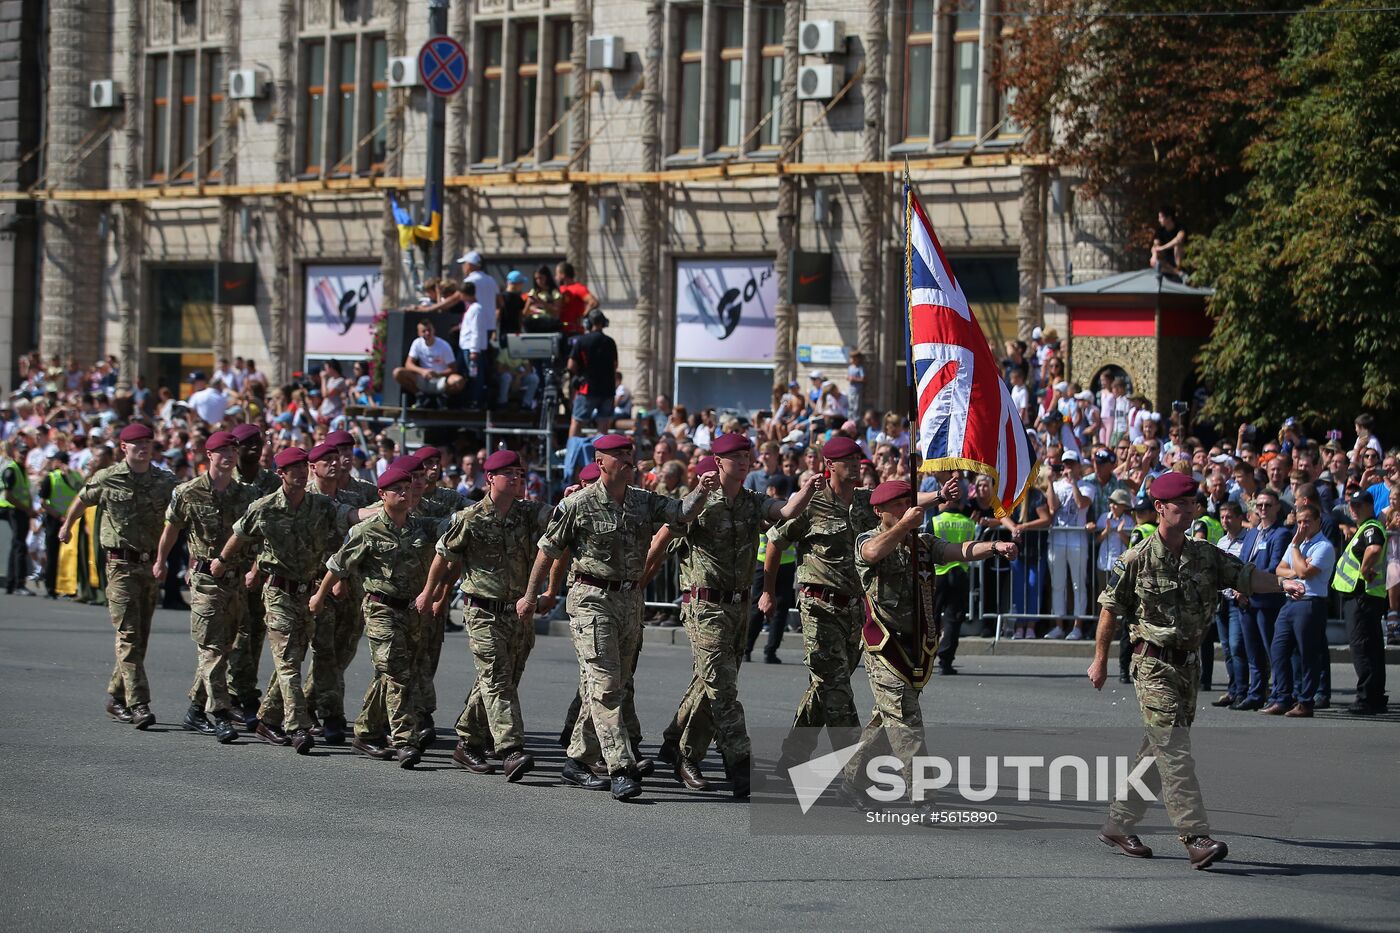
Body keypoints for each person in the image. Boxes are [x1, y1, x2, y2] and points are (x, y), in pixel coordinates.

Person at [1089, 471, 1306, 870]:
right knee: (1173, 746)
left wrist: (1281, 584)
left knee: (1158, 749)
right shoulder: (1135, 558)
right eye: (1182, 505)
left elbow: (1245, 576)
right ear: (1160, 509)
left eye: (1193, 504)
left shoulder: (1205, 555)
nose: (1190, 511)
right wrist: (1100, 660)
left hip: (1189, 665)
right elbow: (1109, 610)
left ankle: (1119, 823)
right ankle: (1195, 836)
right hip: (1152, 663)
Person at [523, 433, 713, 801]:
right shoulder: (578, 505)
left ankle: (577, 761)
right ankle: (621, 768)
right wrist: (533, 594)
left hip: (629, 600)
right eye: (619, 455)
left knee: (613, 686)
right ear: (601, 463)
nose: (628, 459)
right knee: (607, 684)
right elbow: (547, 550)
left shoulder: (643, 501)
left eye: (630, 453)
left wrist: (702, 490)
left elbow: (680, 513)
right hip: (591, 599)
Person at [645, 434, 823, 797]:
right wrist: (639, 583)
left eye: (747, 456)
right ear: (718, 461)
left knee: (708, 685)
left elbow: (786, 512)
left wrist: (805, 490)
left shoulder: (751, 502)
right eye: (736, 457)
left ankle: (678, 747)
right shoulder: (699, 504)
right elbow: (663, 537)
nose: (744, 461)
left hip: (738, 606)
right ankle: (739, 766)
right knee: (723, 688)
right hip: (705, 606)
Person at [840, 481, 1018, 809]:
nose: (907, 507)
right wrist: (906, 523)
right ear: (880, 512)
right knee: (906, 718)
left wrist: (994, 548)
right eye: (898, 504)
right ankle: (922, 794)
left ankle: (853, 779)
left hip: (917, 644)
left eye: (908, 501)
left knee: (887, 718)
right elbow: (873, 554)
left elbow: (957, 551)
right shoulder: (867, 539)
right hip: (885, 645)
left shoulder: (922, 543)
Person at [208, 446, 373, 754]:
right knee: (287, 660)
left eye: (302, 467)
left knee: (293, 658)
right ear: (282, 474)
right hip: (278, 592)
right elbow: (240, 534)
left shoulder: (320, 505)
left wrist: (386, 510)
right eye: (293, 468)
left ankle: (266, 720)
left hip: (306, 591)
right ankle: (297, 726)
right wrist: (220, 561)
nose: (298, 473)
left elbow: (352, 516)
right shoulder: (265, 507)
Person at [419, 449, 554, 780]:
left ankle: (467, 741)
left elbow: (559, 518)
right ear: (490, 478)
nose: (517, 478)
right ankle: (510, 748)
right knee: (496, 677)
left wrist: (575, 498)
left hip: (517, 612)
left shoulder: (528, 513)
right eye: (509, 473)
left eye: (520, 473)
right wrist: (428, 592)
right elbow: (443, 557)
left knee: (501, 678)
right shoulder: (470, 518)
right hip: (482, 611)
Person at [310, 465, 447, 767]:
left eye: (408, 488)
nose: (404, 493)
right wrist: (320, 596)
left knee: (391, 673)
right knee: (397, 672)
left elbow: (455, 524)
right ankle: (404, 740)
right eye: (397, 489)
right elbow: (337, 565)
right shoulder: (366, 531)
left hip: (410, 610)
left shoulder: (421, 527)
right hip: (380, 609)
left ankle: (366, 731)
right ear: (382, 495)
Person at [763, 436, 885, 767]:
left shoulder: (863, 502)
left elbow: (900, 500)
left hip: (853, 609)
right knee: (836, 686)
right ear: (830, 466)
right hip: (818, 606)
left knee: (824, 685)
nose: (858, 464)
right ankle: (856, 769)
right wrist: (768, 590)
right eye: (850, 460)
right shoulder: (811, 503)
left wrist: (940, 497)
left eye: (859, 459)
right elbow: (776, 542)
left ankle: (793, 756)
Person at [59, 423, 178, 729]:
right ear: (123, 447)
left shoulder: (164, 480)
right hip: (120, 565)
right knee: (127, 634)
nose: (143, 447)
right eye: (136, 443)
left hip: (149, 564)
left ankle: (115, 696)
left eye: (147, 442)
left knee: (139, 637)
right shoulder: (109, 477)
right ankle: (139, 703)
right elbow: (83, 498)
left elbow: (181, 514)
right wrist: (67, 525)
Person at [154, 430, 255, 744]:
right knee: (211, 647)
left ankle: (195, 710)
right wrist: (161, 561)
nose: (228, 457)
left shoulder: (245, 495)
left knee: (223, 647)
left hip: (235, 578)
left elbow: (255, 536)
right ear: (208, 455)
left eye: (232, 452)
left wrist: (254, 568)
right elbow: (172, 529)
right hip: (204, 579)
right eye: (222, 452)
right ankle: (221, 714)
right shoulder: (188, 491)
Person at [1267, 503, 1335, 717]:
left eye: (1307, 521)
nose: (1302, 526)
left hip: (1310, 602)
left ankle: (1306, 702)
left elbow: (1306, 573)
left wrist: (1296, 553)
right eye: (1299, 522)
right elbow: (1279, 568)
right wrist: (1297, 566)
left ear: (1317, 522)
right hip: (1290, 602)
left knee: (1308, 654)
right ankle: (1283, 697)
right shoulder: (1297, 544)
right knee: (1279, 649)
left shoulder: (1323, 546)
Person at [1233, 488, 1290, 710]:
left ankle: (1279, 694)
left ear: (1277, 507)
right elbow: (1241, 563)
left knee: (1271, 649)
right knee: (1252, 650)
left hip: (1266, 600)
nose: (1263, 509)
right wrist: (1239, 586)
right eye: (1260, 505)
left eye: (1268, 505)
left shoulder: (1281, 533)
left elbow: (1273, 567)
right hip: (1246, 601)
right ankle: (1256, 693)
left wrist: (1248, 586)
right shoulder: (1252, 533)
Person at [1333, 489, 1388, 714]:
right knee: (1372, 648)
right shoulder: (1363, 528)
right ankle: (1374, 696)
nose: (1353, 509)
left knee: (1362, 649)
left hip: (1361, 596)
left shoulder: (1371, 527)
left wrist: (1365, 568)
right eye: (1351, 505)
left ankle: (1366, 698)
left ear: (1369, 505)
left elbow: (1374, 548)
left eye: (1358, 505)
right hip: (1365, 597)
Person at [1044, 450, 1094, 639]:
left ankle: (1077, 627)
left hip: (1077, 539)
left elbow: (1082, 504)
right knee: (1057, 584)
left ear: (1079, 465)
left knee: (1077, 584)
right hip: (1057, 538)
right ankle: (1058, 625)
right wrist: (1049, 482)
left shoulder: (1087, 486)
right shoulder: (1056, 485)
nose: (1068, 467)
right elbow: (1052, 508)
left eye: (1072, 463)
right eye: (1066, 464)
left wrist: (1073, 483)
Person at [928, 485, 977, 675]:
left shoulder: (935, 521)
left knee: (931, 618)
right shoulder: (969, 523)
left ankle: (927, 657)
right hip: (960, 573)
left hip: (938, 574)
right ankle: (946, 662)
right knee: (953, 619)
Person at [567, 309, 618, 438]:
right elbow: (615, 365)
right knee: (603, 425)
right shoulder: (610, 342)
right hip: (607, 390)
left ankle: (572, 455)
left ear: (588, 323)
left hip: (587, 389)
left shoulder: (582, 341)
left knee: (577, 422)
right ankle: (600, 457)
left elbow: (571, 365)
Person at [393, 319, 466, 408]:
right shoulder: (417, 343)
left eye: (429, 330)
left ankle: (444, 396)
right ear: (419, 333)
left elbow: (453, 368)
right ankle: (420, 395)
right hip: (423, 379)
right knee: (398, 372)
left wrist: (438, 374)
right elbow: (408, 364)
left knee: (459, 381)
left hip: (441, 380)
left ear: (433, 330)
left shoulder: (444, 345)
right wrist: (423, 371)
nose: (427, 333)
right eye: (424, 331)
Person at [38, 450, 82, 598]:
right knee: (68, 556)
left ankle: (52, 589)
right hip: (69, 520)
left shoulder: (50, 477)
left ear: (57, 462)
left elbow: (43, 502)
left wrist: (59, 516)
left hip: (58, 521)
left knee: (54, 556)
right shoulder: (75, 476)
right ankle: (67, 589)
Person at [555, 260, 599, 337]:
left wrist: (583, 316)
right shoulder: (559, 289)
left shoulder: (578, 288)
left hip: (574, 332)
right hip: (560, 330)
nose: (555, 277)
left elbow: (593, 302)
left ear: (562, 275)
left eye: (557, 274)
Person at [1150, 207, 1186, 280]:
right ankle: (1178, 273)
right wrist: (1154, 255)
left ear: (1168, 218)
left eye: (1161, 217)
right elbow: (1155, 245)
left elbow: (1179, 239)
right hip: (1167, 262)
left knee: (1177, 245)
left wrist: (1162, 248)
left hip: (1179, 259)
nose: (1159, 220)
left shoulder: (1180, 228)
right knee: (1156, 259)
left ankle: (1179, 269)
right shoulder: (1160, 231)